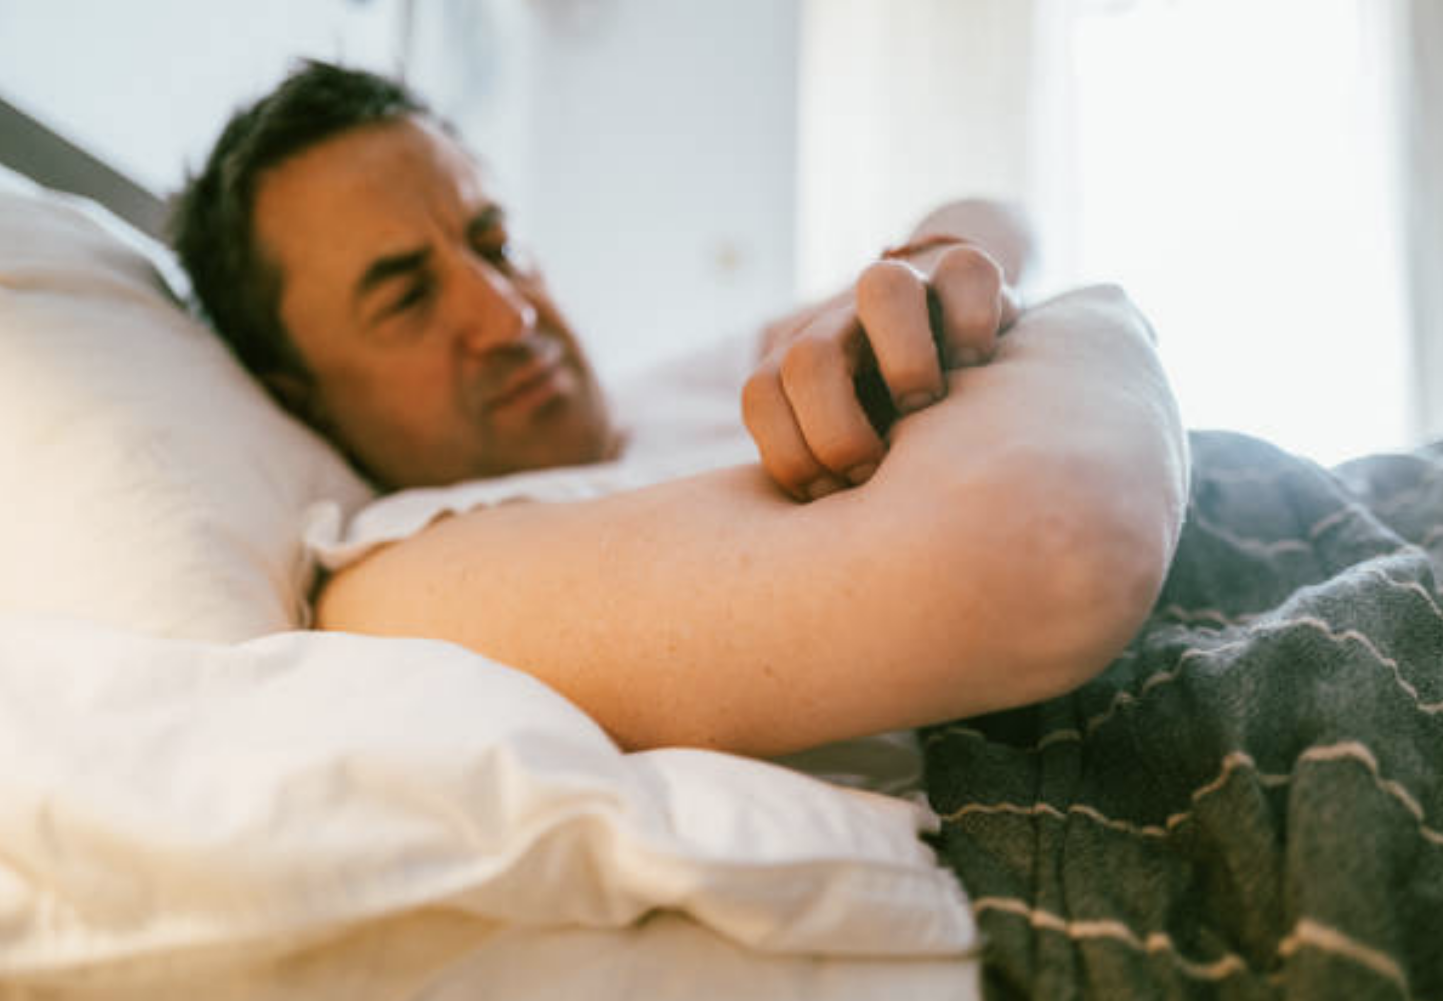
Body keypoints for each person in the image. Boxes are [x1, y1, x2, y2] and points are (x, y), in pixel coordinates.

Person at [171, 60, 1189, 756]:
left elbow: (994, 217)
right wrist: (1071, 334)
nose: (507, 311)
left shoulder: (676, 386)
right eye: (404, 297)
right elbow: (1057, 544)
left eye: (494, 242)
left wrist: (927, 262)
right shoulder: (405, 572)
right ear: (298, 394)